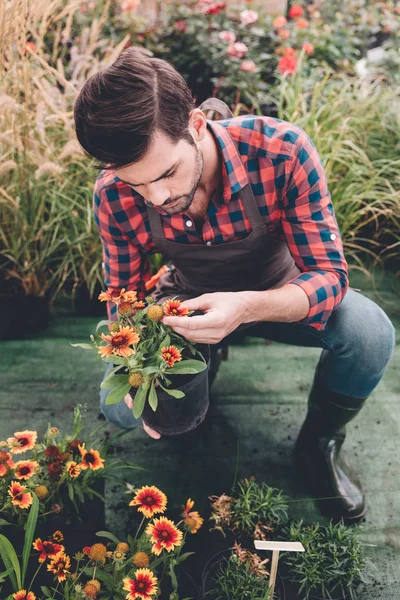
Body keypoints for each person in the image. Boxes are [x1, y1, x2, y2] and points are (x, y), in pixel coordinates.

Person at [74, 47, 395, 521]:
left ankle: (319, 445)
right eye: (138, 185)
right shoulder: (112, 196)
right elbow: (125, 297)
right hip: (188, 301)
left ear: (197, 125)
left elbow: (329, 279)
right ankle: (198, 382)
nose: (158, 197)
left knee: (370, 334)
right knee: (119, 406)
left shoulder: (281, 152)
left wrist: (245, 307)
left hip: (283, 292)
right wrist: (134, 366)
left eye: (166, 173)